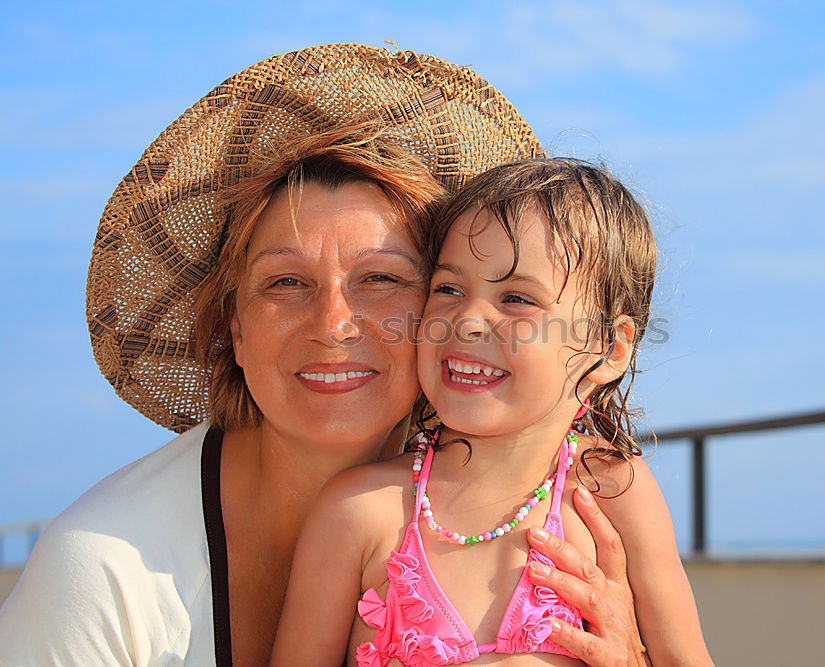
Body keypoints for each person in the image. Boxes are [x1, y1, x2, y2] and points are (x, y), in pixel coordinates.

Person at [0, 46, 652, 666]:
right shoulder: (101, 570)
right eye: (286, 283)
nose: (334, 324)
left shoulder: (565, 506)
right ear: (233, 324)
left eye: (381, 279)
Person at [271, 159, 714, 665]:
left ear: (609, 349)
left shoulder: (612, 490)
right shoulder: (360, 511)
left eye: (517, 298)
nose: (469, 320)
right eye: (449, 289)